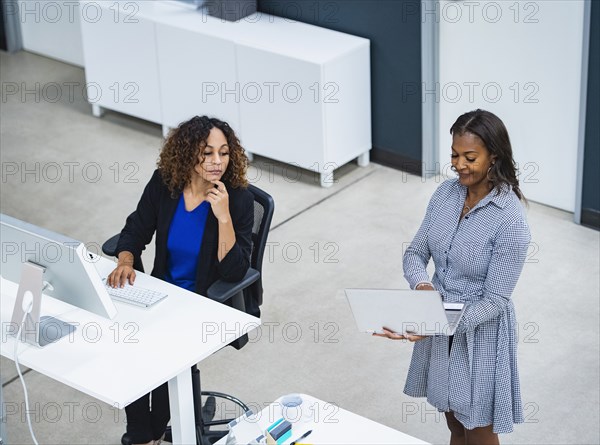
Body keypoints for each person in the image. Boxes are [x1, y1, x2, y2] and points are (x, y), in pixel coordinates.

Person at [375, 109, 530, 444]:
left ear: (494, 157)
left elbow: (494, 301)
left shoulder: (511, 222)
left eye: (469, 157)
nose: (459, 164)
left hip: (480, 336)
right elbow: (415, 253)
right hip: (440, 325)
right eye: (454, 155)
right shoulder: (446, 194)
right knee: (455, 425)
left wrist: (435, 321)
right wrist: (424, 287)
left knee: (478, 432)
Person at [107, 115, 254, 445]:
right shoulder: (166, 184)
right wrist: (126, 259)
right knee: (127, 345)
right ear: (188, 153)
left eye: (224, 153)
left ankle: (145, 435)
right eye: (207, 153)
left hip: (206, 303)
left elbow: (233, 271)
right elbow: (135, 229)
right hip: (162, 294)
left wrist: (224, 216)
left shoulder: (238, 200)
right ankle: (146, 435)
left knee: (162, 355)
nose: (217, 162)